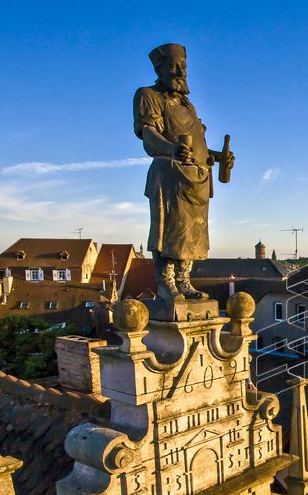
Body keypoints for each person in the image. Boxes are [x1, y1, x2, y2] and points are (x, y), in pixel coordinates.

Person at [133, 43, 234, 302]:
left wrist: (217, 156)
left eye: (184, 67)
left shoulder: (188, 105)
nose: (181, 72)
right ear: (160, 68)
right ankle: (166, 284)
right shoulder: (148, 95)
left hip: (196, 179)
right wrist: (171, 149)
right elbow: (149, 136)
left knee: (191, 234)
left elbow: (197, 147)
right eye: (174, 66)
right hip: (169, 175)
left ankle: (184, 281)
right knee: (169, 231)